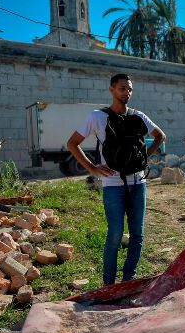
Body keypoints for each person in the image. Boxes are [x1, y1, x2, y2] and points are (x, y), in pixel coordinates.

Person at [66, 73, 166, 285]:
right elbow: (72, 143)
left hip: (139, 183)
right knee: (115, 234)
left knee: (137, 235)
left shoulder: (138, 115)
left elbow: (160, 136)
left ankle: (129, 280)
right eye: (122, 88)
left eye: (129, 89)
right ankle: (108, 285)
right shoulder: (97, 116)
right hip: (112, 185)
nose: (126, 93)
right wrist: (92, 168)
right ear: (111, 89)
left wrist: (144, 158)